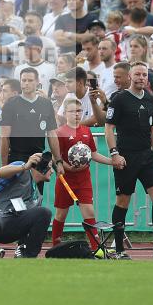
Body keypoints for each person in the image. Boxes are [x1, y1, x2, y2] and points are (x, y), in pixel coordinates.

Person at [104, 62, 153, 260]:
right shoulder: (119, 99)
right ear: (130, 76)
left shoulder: (149, 99)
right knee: (123, 201)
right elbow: (109, 128)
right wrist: (114, 153)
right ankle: (118, 250)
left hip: (147, 157)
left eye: (144, 74)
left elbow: (152, 128)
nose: (141, 78)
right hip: (126, 157)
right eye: (137, 74)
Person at [52, 97, 120, 250]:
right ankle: (55, 246)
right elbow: (56, 157)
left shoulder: (86, 131)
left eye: (79, 111)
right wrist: (67, 167)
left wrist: (112, 161)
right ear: (65, 113)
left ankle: (96, 247)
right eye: (72, 111)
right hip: (65, 180)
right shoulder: (60, 132)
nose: (76, 114)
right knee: (61, 214)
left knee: (88, 211)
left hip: (83, 179)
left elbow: (93, 154)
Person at [0, 151, 53, 258]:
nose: (52, 171)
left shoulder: (37, 196)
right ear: (41, 166)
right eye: (50, 167)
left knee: (44, 213)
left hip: (11, 226)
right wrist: (24, 166)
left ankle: (26, 256)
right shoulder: (21, 168)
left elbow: (28, 222)